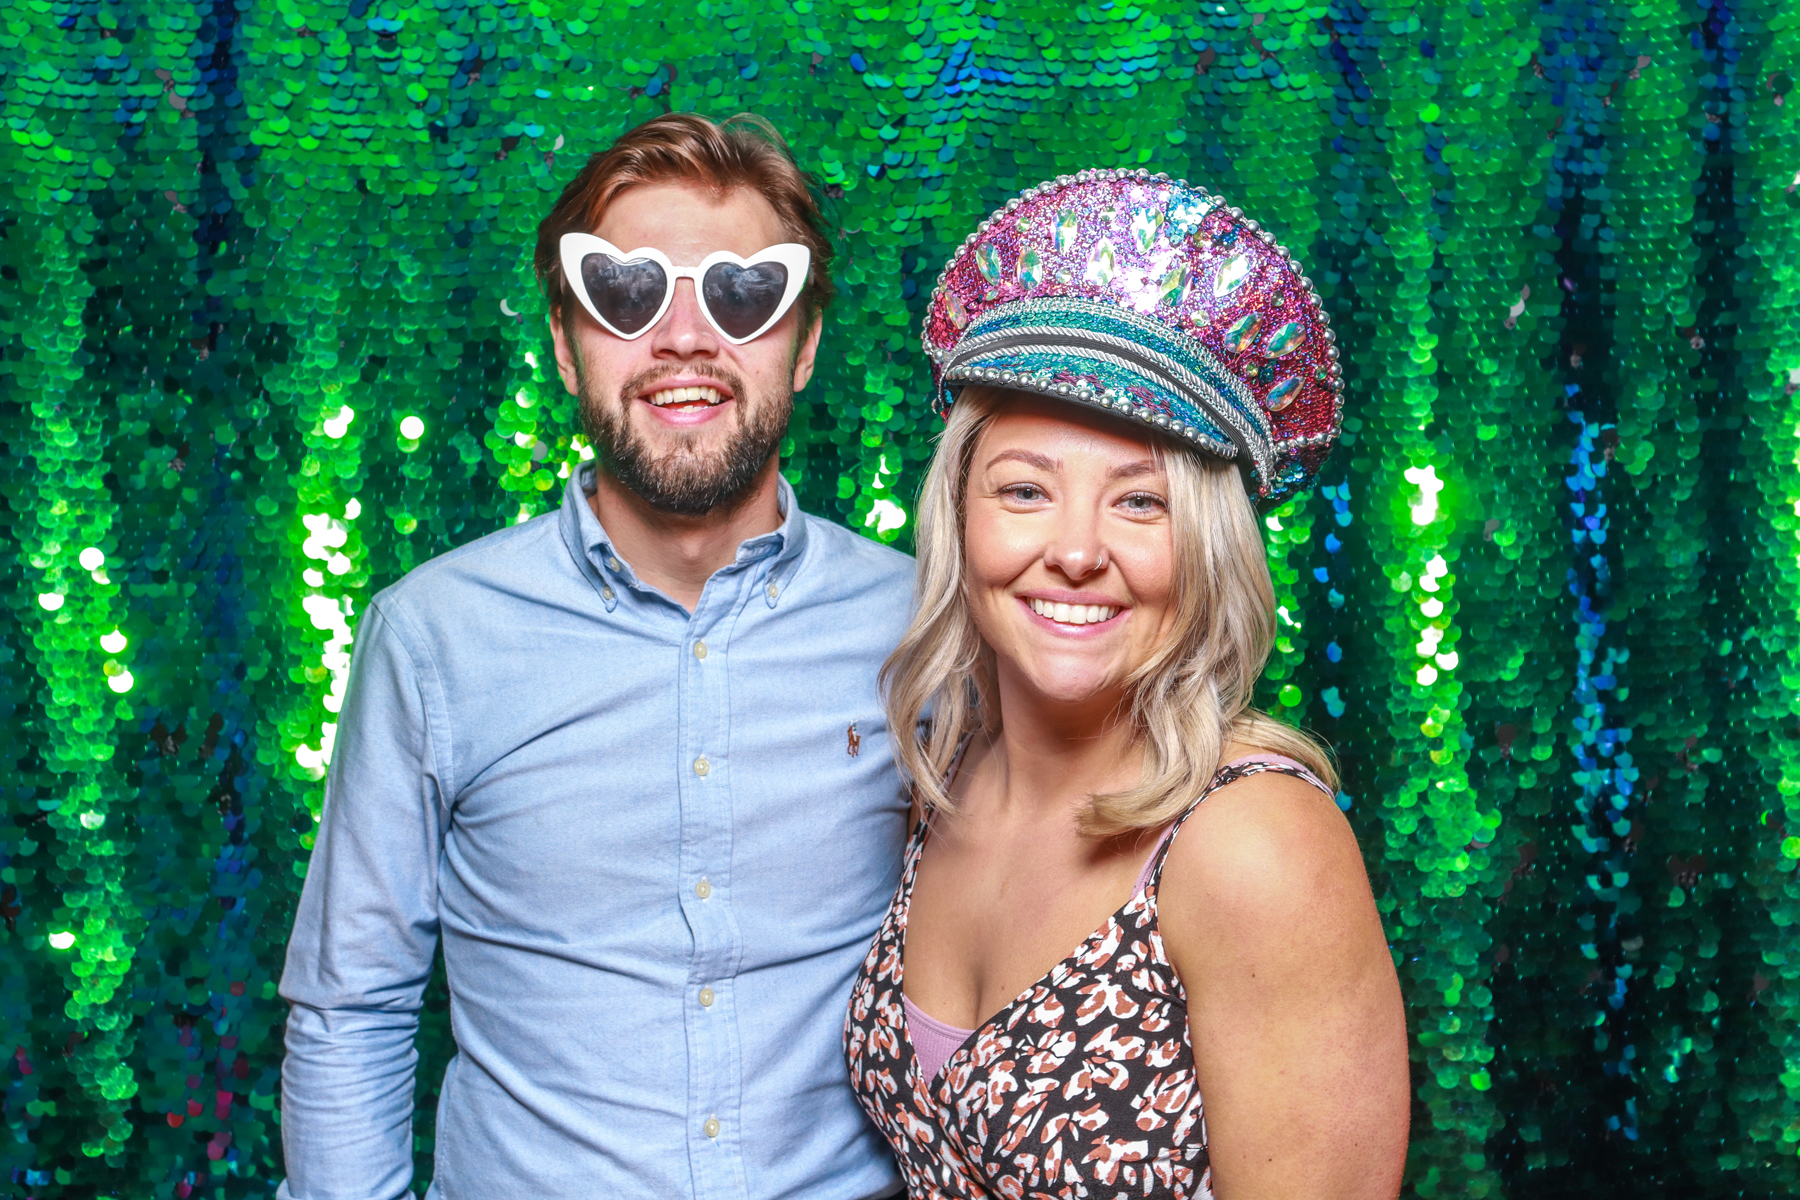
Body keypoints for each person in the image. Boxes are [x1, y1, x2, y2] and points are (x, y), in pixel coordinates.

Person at [278, 112, 913, 1200]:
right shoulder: (434, 634)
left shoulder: (924, 626)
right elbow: (354, 1006)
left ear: (804, 344)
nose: (683, 339)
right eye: (628, 295)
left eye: (742, 294)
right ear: (568, 345)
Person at [844, 169, 1409, 1199]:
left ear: (1205, 548)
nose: (1074, 551)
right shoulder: (950, 774)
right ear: (959, 519)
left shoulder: (1254, 846)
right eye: (1024, 490)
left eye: (1140, 503)